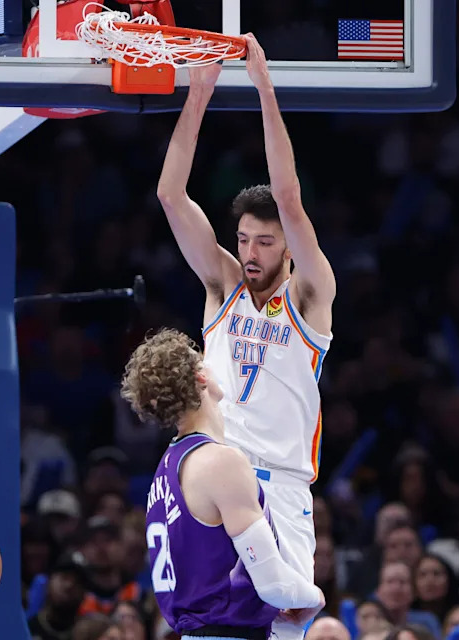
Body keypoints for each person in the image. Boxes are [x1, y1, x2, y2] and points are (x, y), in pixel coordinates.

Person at [156, 34, 336, 640]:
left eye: (265, 241)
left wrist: (264, 88)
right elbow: (170, 195)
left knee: (287, 626)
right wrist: (199, 95)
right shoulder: (222, 287)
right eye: (244, 240)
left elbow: (288, 194)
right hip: (217, 473)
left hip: (283, 485)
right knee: (206, 627)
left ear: (287, 242)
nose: (251, 252)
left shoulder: (310, 296)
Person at [121, 329, 325, 640]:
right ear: (200, 377)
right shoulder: (219, 462)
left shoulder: (166, 469)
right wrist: (314, 597)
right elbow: (275, 586)